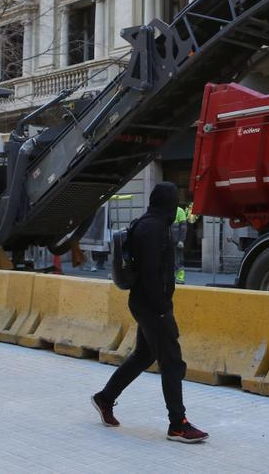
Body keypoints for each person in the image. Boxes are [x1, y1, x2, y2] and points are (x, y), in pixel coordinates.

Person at [91, 182, 209, 444]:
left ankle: (105, 398)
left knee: (144, 355)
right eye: (174, 201)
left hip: (144, 302)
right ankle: (178, 425)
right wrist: (162, 308)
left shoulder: (146, 223)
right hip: (152, 305)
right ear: (168, 203)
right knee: (172, 361)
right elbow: (151, 273)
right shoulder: (153, 228)